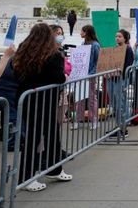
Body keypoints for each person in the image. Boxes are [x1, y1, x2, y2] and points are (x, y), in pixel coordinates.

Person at [13, 23, 72, 192]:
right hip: (43, 100)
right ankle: (25, 178)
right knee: (34, 138)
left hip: (29, 99)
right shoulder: (52, 56)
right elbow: (58, 78)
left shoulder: (23, 53)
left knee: (52, 134)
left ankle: (55, 169)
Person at [72, 25, 101, 130]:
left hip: (90, 75)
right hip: (81, 74)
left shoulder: (95, 45)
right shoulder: (83, 43)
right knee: (79, 98)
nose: (80, 33)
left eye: (82, 31)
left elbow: (98, 61)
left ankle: (94, 120)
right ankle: (78, 120)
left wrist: (91, 73)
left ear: (87, 32)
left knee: (91, 98)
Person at [107, 29, 134, 137]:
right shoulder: (114, 49)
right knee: (114, 103)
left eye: (119, 36)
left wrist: (119, 71)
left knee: (121, 103)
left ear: (125, 38)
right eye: (116, 36)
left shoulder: (128, 50)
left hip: (121, 79)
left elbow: (128, 65)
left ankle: (123, 128)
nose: (117, 38)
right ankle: (119, 126)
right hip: (112, 79)